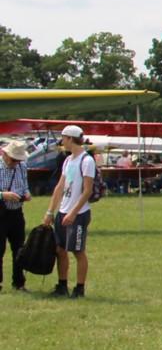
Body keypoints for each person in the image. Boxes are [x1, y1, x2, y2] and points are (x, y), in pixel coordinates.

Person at [43, 125, 95, 298]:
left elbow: (87, 190)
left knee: (78, 251)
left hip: (78, 214)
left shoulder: (86, 161)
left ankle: (79, 288)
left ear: (70, 139)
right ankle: (62, 285)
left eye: (64, 138)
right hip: (63, 211)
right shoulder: (68, 160)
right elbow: (60, 186)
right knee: (60, 249)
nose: (62, 142)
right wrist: (51, 211)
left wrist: (73, 213)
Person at [2, 139, 31, 291]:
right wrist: (3, 195)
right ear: (5, 154)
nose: (16, 163)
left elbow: (25, 184)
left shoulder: (22, 166)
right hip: (1, 211)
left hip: (17, 212)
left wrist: (26, 193)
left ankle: (19, 283)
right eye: (14, 160)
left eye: (19, 160)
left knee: (20, 249)